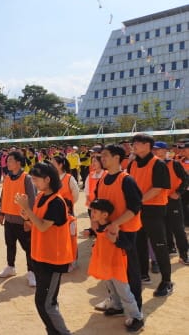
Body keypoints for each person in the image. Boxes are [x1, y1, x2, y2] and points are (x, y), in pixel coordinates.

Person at [15, 162, 73, 335]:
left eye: (36, 179)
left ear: (48, 179)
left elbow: (41, 226)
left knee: (45, 303)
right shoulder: (41, 197)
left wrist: (27, 209)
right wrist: (25, 214)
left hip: (53, 260)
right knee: (47, 302)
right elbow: (35, 221)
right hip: (41, 256)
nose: (33, 182)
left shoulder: (56, 202)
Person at [94, 144, 144, 312]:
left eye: (105, 155)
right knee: (110, 270)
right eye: (101, 156)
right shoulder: (102, 178)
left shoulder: (127, 180)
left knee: (129, 272)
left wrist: (116, 223)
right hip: (106, 233)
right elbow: (96, 204)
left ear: (117, 158)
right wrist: (94, 222)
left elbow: (135, 207)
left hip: (125, 233)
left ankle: (136, 310)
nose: (102, 158)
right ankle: (117, 303)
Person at [87, 199, 145, 333]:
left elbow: (128, 245)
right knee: (111, 287)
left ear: (105, 215)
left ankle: (137, 317)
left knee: (124, 291)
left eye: (95, 211)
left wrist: (116, 240)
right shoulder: (98, 226)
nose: (92, 214)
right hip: (105, 264)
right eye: (91, 211)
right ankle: (117, 306)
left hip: (117, 265)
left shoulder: (115, 228)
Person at [128, 133, 172, 297]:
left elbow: (158, 188)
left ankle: (166, 281)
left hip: (154, 209)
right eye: (134, 142)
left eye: (138, 142)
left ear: (148, 145)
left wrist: (138, 200)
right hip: (138, 211)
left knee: (159, 245)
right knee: (139, 244)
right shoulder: (132, 164)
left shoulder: (158, 164)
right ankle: (143, 274)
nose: (134, 145)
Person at [0, 151, 37, 287]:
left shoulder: (27, 178)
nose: (7, 163)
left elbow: (31, 199)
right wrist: (2, 213)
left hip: (22, 220)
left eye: (10, 161)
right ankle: (10, 266)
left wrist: (28, 219)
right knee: (10, 244)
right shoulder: (7, 177)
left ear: (18, 163)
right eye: (7, 161)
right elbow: (5, 196)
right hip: (9, 218)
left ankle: (32, 271)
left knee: (28, 247)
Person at [151, 141, 189, 265]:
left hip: (172, 201)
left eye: (158, 149)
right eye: (154, 149)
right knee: (162, 228)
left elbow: (185, 179)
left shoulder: (174, 164)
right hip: (157, 202)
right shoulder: (152, 165)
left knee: (178, 229)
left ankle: (184, 254)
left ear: (165, 150)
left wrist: (178, 192)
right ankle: (170, 248)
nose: (155, 151)